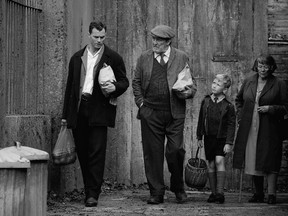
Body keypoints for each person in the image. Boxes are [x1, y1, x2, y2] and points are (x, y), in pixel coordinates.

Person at [62, 21, 129, 207]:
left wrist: (114, 87)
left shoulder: (113, 57)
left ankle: (93, 194)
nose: (99, 40)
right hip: (79, 108)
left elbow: (125, 82)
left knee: (97, 153)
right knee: (83, 152)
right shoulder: (77, 58)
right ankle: (88, 188)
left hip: (100, 109)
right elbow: (70, 88)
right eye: (96, 37)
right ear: (89, 35)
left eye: (102, 37)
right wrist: (65, 116)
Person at [132, 25, 197, 204]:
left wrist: (187, 93)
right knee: (152, 154)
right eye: (153, 38)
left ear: (168, 41)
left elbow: (191, 84)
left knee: (175, 150)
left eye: (159, 40)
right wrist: (141, 104)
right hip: (151, 113)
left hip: (174, 113)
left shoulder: (181, 57)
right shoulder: (144, 57)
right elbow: (136, 82)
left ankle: (178, 187)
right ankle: (156, 192)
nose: (154, 42)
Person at [233, 55, 288, 204]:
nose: (262, 69)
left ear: (271, 67)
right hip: (250, 127)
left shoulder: (279, 84)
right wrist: (240, 117)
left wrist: (271, 108)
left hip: (270, 128)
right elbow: (239, 100)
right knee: (252, 159)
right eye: (260, 66)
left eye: (265, 66)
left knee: (270, 159)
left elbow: (285, 107)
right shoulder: (249, 81)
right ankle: (258, 194)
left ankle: (271, 194)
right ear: (256, 66)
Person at [196, 74, 236, 204]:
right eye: (213, 82)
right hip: (209, 138)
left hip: (221, 139)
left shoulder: (228, 105)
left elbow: (231, 125)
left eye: (218, 84)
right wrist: (199, 136)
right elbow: (201, 119)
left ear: (224, 89)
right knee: (211, 164)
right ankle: (213, 193)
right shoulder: (206, 101)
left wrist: (229, 142)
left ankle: (220, 193)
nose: (214, 85)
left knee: (219, 161)